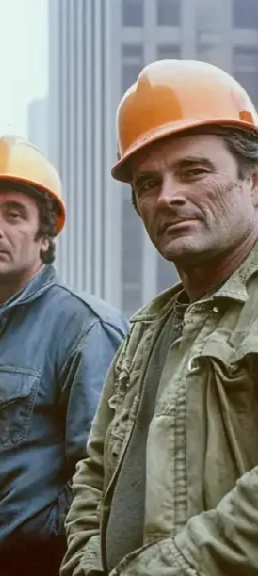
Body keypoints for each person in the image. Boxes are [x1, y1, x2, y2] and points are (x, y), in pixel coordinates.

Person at [62, 59, 258, 575]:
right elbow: (95, 469)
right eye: (148, 183)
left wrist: (161, 568)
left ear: (254, 181)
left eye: (193, 171)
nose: (167, 196)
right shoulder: (147, 329)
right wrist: (86, 562)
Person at [0, 136, 127, 575]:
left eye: (13, 214)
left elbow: (104, 475)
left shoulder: (84, 327)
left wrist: (36, 537)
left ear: (45, 237)